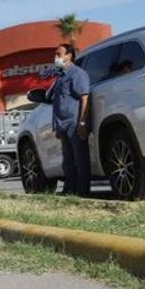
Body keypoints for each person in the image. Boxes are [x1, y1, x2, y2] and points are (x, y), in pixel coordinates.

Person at [49, 43, 91, 196]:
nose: (56, 58)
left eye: (58, 54)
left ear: (69, 55)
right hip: (62, 125)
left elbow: (85, 98)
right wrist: (57, 126)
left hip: (74, 123)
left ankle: (83, 192)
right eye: (55, 54)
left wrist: (82, 122)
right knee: (68, 161)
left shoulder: (77, 74)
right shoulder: (60, 76)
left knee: (80, 160)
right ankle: (69, 190)